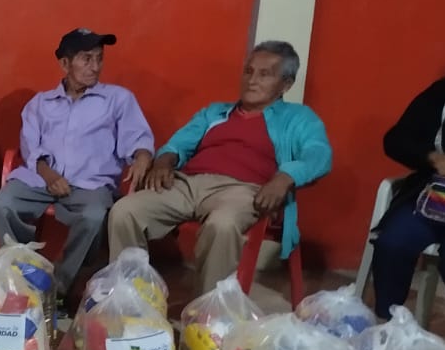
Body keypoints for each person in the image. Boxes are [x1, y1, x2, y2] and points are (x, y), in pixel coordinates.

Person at [107, 40, 332, 296]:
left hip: (244, 191)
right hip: (188, 184)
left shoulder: (299, 118)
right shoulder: (214, 113)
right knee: (125, 211)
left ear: (286, 84)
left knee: (222, 225)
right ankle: (129, 299)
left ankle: (208, 310)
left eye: (265, 74)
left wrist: (285, 177)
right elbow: (178, 144)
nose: (252, 80)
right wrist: (164, 160)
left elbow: (319, 154)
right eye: (248, 71)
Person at [0, 29, 154, 306]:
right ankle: (23, 269)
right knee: (1, 204)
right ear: (65, 64)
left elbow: (137, 137)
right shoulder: (40, 104)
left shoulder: (118, 99)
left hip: (91, 183)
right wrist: (49, 175)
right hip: (40, 180)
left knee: (93, 217)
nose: (95, 66)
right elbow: (30, 147)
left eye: (99, 58)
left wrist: (142, 156)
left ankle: (59, 288)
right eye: (86, 59)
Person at [370, 74, 445, 315]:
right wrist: (434, 158)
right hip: (432, 196)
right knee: (393, 243)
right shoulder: (443, 92)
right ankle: (389, 323)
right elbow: (396, 140)